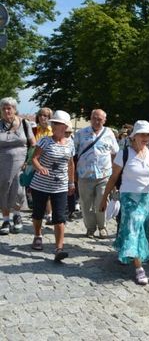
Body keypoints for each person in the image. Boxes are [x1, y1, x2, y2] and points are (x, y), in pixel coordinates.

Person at [99, 120, 149, 285]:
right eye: (142, 134)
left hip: (147, 197)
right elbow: (113, 177)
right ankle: (139, 268)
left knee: (141, 228)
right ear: (134, 137)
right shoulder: (124, 153)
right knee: (134, 226)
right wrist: (105, 197)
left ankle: (125, 252)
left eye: (148, 135)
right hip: (129, 197)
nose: (145, 137)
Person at [30, 110, 75, 262]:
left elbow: (71, 164)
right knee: (37, 214)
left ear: (65, 127)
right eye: (54, 124)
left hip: (60, 186)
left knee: (59, 217)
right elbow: (34, 159)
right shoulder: (44, 141)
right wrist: (40, 168)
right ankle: (37, 235)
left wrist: (71, 182)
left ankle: (59, 248)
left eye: (59, 124)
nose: (56, 127)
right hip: (40, 185)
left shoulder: (70, 143)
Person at [74, 109, 119, 239]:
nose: (96, 121)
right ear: (90, 118)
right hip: (84, 174)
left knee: (102, 202)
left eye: (99, 119)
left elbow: (115, 153)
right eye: (94, 118)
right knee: (86, 204)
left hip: (104, 175)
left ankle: (102, 227)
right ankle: (90, 228)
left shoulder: (109, 133)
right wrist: (74, 173)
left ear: (104, 120)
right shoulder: (81, 133)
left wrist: (114, 175)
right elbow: (73, 153)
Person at [0, 97, 36, 235]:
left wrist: (29, 161)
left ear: (15, 110)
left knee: (18, 190)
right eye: (3, 108)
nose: (6, 110)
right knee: (3, 189)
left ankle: (17, 215)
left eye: (9, 108)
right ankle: (5, 220)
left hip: (21, 164)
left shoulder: (25, 124)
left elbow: (33, 144)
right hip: (2, 164)